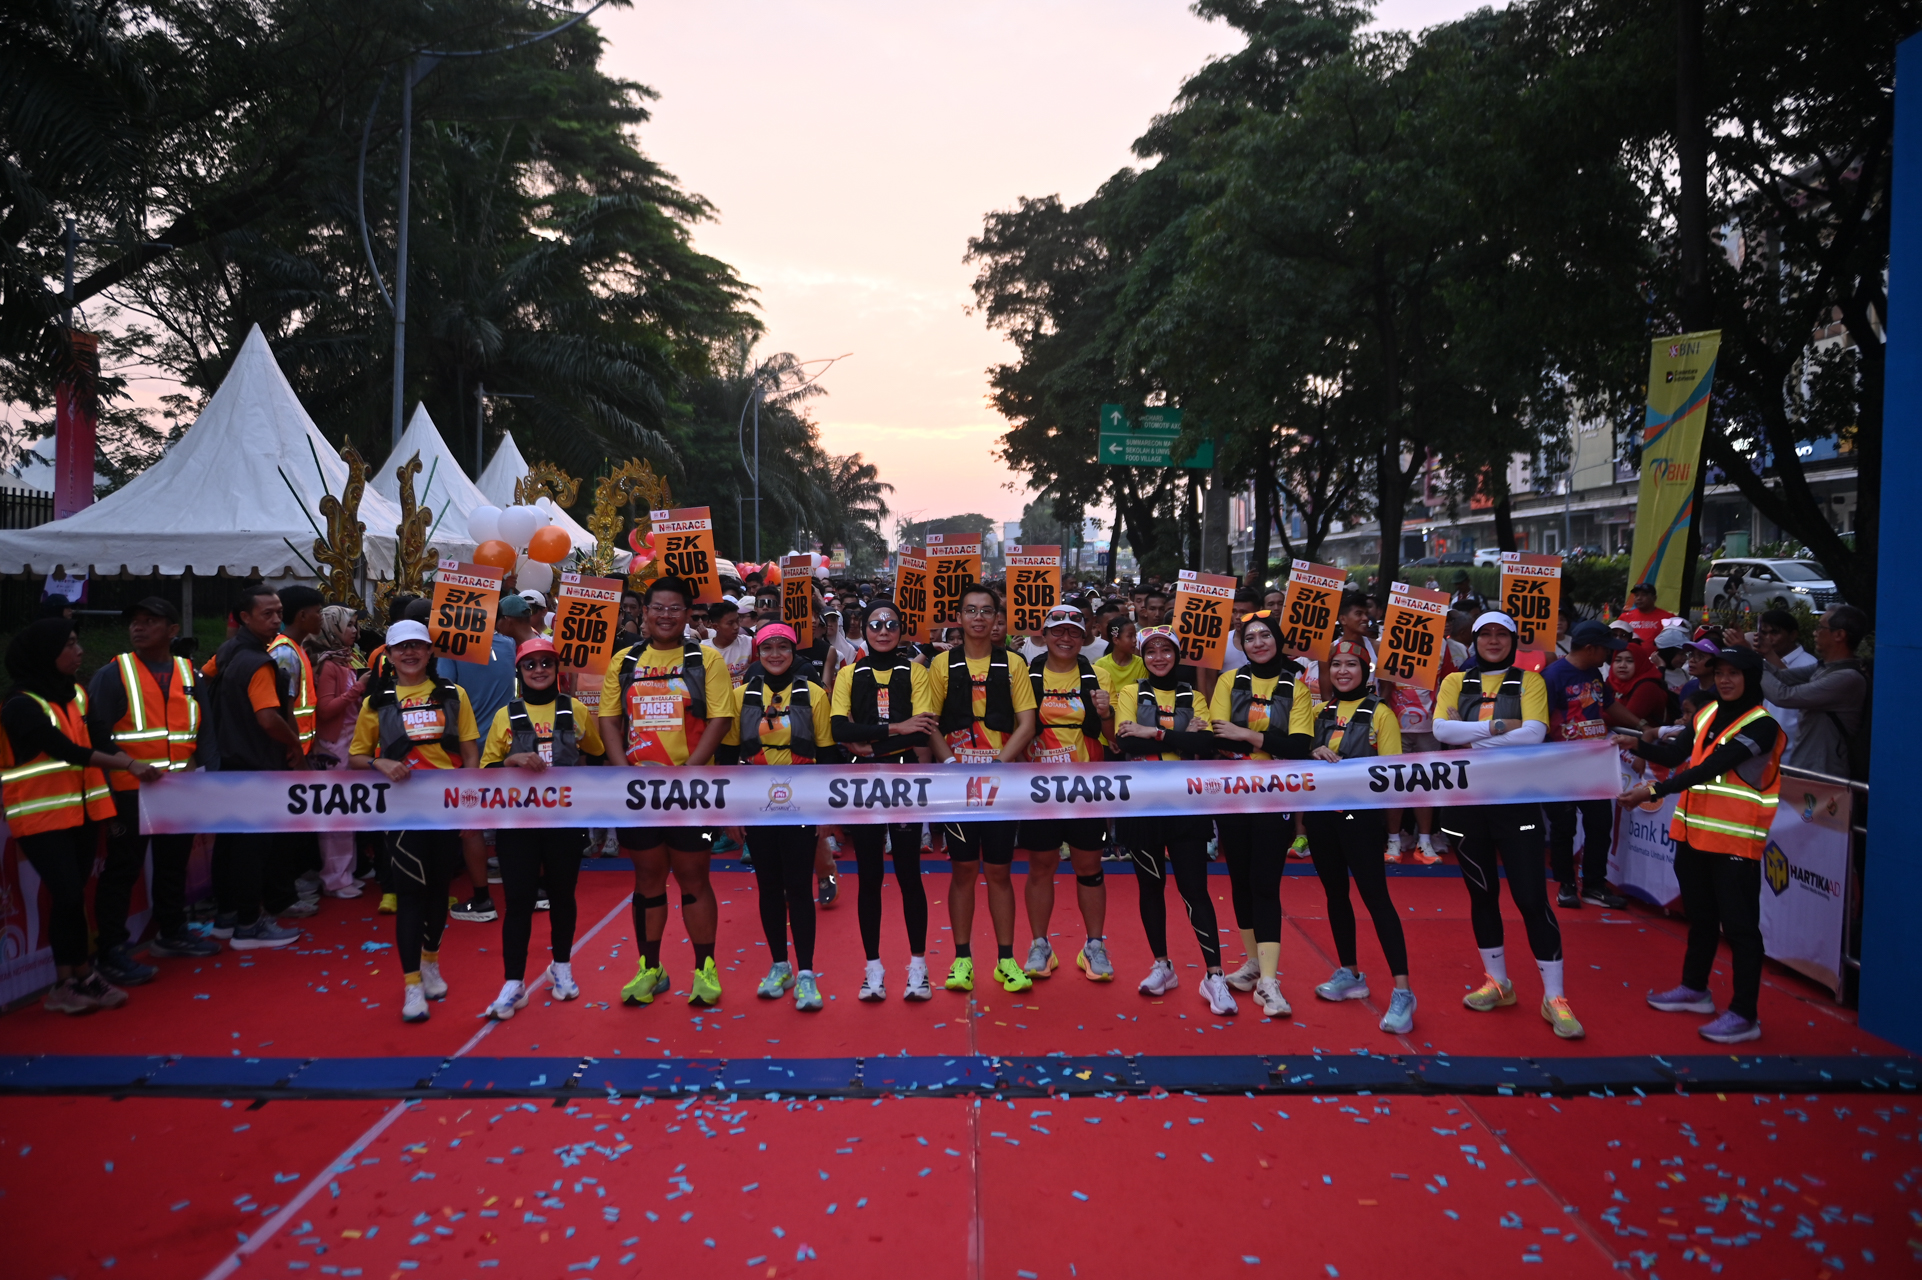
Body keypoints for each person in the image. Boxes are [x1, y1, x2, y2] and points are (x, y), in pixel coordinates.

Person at [1433, 611, 1585, 1039]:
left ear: (1514, 640)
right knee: (1482, 897)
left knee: (1532, 899)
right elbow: (1441, 730)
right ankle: (1498, 983)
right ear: (1475, 640)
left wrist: (1473, 735)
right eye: (1486, 634)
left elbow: (1534, 733)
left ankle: (1554, 997)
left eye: (1502, 634)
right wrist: (1502, 728)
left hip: (1516, 805)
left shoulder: (1529, 681)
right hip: (1464, 806)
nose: (1494, 641)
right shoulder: (1454, 681)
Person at [1621, 647, 1782, 1043]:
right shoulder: (1706, 713)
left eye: (1734, 674)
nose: (1725, 680)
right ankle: (1695, 989)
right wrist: (1630, 743)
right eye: (1720, 672)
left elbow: (1710, 768)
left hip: (1735, 843)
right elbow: (1676, 754)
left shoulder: (1763, 726)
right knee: (1702, 920)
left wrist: (1652, 790)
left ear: (1751, 679)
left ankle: (1744, 1014)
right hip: (1693, 837)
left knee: (1741, 930)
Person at [5, 619, 167, 1012]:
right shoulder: (20, 705)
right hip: (40, 818)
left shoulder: (76, 694)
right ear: (45, 653)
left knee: (72, 897)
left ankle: (77, 978)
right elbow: (67, 751)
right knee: (67, 894)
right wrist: (128, 764)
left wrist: (124, 760)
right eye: (70, 644)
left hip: (82, 813)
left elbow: (98, 738)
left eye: (78, 643)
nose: (79, 652)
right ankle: (72, 979)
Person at [598, 575, 734, 1008]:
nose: (666, 615)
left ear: (688, 614)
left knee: (694, 878)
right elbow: (609, 720)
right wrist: (624, 774)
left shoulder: (705, 659)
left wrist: (690, 773)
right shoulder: (625, 661)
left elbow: (721, 719)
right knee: (648, 879)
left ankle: (705, 969)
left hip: (692, 793)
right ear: (644, 612)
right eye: (658, 607)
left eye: (675, 608)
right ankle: (650, 968)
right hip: (639, 792)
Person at [348, 620, 481, 1022]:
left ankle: (430, 963)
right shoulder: (376, 702)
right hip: (402, 810)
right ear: (388, 655)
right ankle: (411, 986)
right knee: (409, 895)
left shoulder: (454, 695)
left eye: (417, 646)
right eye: (401, 647)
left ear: (429, 652)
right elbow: (356, 757)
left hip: (445, 807)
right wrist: (380, 762)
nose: (409, 653)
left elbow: (470, 755)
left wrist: (468, 806)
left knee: (439, 891)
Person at [85, 598, 216, 982]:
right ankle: (111, 950)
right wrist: (122, 772)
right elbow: (95, 737)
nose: (138, 627)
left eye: (149, 621)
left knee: (173, 864)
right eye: (134, 622)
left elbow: (205, 729)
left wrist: (208, 776)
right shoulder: (114, 674)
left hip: (178, 788)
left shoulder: (189, 672)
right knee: (122, 871)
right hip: (129, 791)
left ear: (173, 630)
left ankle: (171, 931)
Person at [1113, 625, 1238, 1016]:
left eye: (1166, 650)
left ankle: (1214, 975)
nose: (1159, 658)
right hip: (1142, 804)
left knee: (1194, 889)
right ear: (1142, 656)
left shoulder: (1194, 696)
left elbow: (1206, 743)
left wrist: (1152, 731)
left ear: (1177, 655)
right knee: (1150, 887)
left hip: (1187, 804)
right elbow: (1125, 742)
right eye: (1151, 651)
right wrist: (1178, 736)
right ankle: (1162, 966)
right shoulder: (1130, 693)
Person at [480, 636, 606, 1020]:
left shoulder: (576, 710)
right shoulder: (505, 715)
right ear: (519, 671)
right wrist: (512, 761)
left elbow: (597, 754)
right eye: (530, 664)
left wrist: (587, 800)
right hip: (517, 825)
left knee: (562, 896)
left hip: (564, 824)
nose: (539, 670)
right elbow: (486, 771)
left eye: (546, 663)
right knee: (518, 901)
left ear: (557, 669)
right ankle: (513, 983)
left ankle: (561, 966)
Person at [1299, 639, 1417, 1034]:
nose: (1343, 671)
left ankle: (1403, 991)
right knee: (1335, 895)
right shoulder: (1319, 711)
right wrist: (1313, 752)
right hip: (1321, 818)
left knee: (1377, 900)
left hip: (1360, 819)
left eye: (1351, 664)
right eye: (1336, 665)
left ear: (1365, 671)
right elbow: (1298, 757)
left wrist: (1350, 770)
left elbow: (1394, 773)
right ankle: (1349, 973)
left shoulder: (1381, 714)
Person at [927, 582, 1037, 995]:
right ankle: (962, 959)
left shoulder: (1014, 664)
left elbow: (1027, 724)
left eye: (986, 611)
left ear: (996, 619)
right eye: (971, 610)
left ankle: (1006, 959)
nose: (978, 618)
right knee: (962, 870)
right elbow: (930, 722)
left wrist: (999, 765)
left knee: (999, 871)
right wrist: (951, 766)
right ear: (959, 618)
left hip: (1000, 783)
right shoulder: (941, 665)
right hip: (956, 784)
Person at [831, 601, 938, 1000]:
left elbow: (922, 730)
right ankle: (872, 968)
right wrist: (895, 727)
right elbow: (839, 729)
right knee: (869, 876)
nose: (883, 630)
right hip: (864, 779)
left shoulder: (915, 672)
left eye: (891, 624)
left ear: (901, 629)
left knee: (909, 874)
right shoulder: (849, 673)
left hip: (904, 775)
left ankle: (918, 967)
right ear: (864, 628)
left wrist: (871, 738)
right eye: (875, 624)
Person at [727, 624, 837, 1010]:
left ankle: (806, 972)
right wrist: (732, 813)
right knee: (769, 887)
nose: (775, 654)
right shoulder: (740, 696)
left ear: (793, 652)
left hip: (801, 802)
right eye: (767, 648)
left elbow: (827, 755)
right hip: (757, 803)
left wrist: (826, 814)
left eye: (783, 647)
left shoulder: (815, 694)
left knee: (798, 887)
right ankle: (779, 965)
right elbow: (729, 758)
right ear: (757, 653)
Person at [1206, 608, 1303, 1015]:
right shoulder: (1229, 680)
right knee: (1240, 882)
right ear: (1241, 645)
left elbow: (1298, 746)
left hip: (1275, 796)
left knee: (1265, 884)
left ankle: (1269, 981)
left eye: (1265, 635)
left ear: (1278, 640)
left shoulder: (1296, 686)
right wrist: (1268, 740)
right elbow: (1218, 734)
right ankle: (1252, 963)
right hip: (1232, 794)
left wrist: (1246, 734)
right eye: (1250, 638)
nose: (1258, 643)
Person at [1014, 605, 1115, 982]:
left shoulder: (1099, 675)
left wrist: (1106, 714)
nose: (1065, 638)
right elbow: (1017, 728)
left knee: (1089, 867)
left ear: (1084, 637)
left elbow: (1115, 740)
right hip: (1040, 791)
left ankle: (1094, 945)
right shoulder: (1026, 674)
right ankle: (1040, 944)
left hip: (1087, 789)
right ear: (1044, 635)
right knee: (1041, 866)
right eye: (1057, 631)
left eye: (1074, 631)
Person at [204, 584, 305, 949]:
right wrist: (294, 744)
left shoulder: (227, 652)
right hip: (255, 765)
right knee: (252, 847)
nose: (276, 619)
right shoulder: (259, 663)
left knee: (229, 844)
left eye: (279, 612)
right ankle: (249, 924)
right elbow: (267, 718)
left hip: (226, 763)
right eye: (268, 614)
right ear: (245, 617)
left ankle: (227, 917)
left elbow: (204, 679)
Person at [440, 592, 540, 924]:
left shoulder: (452, 648)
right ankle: (533, 889)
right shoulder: (511, 645)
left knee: (473, 823)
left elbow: (445, 693)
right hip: (509, 739)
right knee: (517, 817)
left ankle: (483, 899)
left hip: (469, 746)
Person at [1541, 621, 1644, 910]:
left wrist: (1642, 725)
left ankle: (1594, 886)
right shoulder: (1552, 676)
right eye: (1606, 649)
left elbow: (1608, 705)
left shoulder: (1596, 673)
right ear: (1590, 648)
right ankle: (1566, 886)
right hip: (1560, 764)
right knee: (1563, 827)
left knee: (1600, 824)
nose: (1610, 655)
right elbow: (1539, 721)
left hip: (1595, 764)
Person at [1745, 605, 1870, 779]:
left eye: (1820, 627)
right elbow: (1781, 676)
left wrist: (1749, 658)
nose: (1814, 633)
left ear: (1839, 635)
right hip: (1804, 765)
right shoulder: (1824, 667)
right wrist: (1759, 654)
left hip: (1824, 772)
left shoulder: (1847, 677)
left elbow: (1783, 696)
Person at [306, 605, 369, 900]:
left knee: (349, 812)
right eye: (349, 626)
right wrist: (359, 688)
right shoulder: (328, 665)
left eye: (355, 625)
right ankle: (334, 879)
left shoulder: (344, 659)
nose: (355, 631)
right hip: (334, 746)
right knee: (336, 815)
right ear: (332, 629)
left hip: (349, 742)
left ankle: (346, 873)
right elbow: (326, 709)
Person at [1748, 608, 1818, 751]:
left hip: (1795, 752)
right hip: (1769, 750)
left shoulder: (1809, 664)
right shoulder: (1765, 662)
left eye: (1774, 633)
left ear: (1793, 635)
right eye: (1764, 633)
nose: (1768, 638)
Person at [1607, 640, 1671, 728]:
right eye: (1618, 660)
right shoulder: (1611, 681)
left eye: (1629, 661)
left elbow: (1627, 720)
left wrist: (1592, 715)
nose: (1622, 665)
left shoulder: (1648, 686)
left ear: (1640, 663)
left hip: (1646, 736)